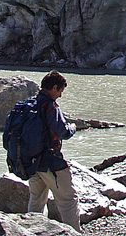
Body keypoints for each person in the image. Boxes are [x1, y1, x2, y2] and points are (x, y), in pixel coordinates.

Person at [27, 70, 81, 232]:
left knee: (36, 199)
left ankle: (29, 231)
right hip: (51, 162)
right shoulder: (50, 106)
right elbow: (63, 133)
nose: (60, 96)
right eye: (60, 91)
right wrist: (72, 127)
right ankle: (74, 233)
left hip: (30, 162)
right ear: (54, 88)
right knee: (68, 200)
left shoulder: (28, 105)